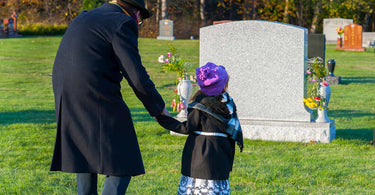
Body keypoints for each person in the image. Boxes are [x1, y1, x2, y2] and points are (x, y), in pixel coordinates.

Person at [50, 0, 169, 194]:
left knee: (86, 155)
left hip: (66, 93)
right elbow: (136, 75)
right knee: (125, 160)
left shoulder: (84, 17)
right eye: (140, 20)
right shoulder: (122, 22)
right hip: (93, 92)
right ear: (136, 14)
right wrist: (157, 108)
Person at [156, 62, 244, 195]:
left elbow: (186, 128)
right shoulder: (228, 103)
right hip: (221, 153)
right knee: (215, 187)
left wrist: (163, 119)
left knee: (198, 187)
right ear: (223, 85)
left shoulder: (199, 106)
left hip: (201, 155)